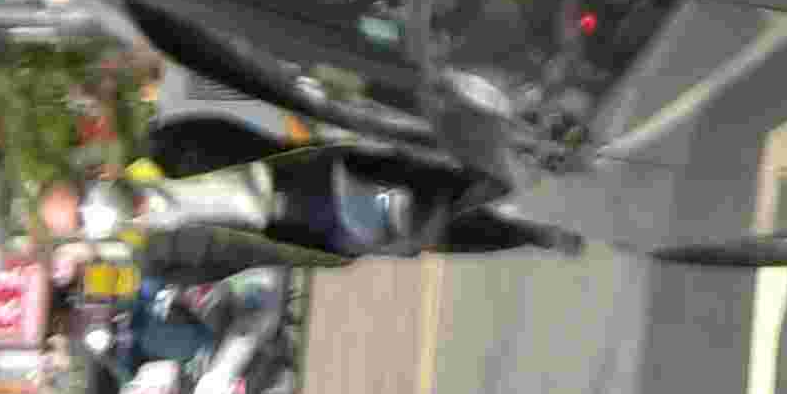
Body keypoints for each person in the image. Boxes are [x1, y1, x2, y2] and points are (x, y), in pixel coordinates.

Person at [34, 110, 578, 281]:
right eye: (79, 218)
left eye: (82, 196)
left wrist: (291, 149)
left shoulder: (165, 144)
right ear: (85, 234)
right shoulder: (155, 259)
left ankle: (527, 170)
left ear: (96, 175)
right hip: (303, 233)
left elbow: (228, 131)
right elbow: (225, 266)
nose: (90, 209)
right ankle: (529, 232)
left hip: (303, 180)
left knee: (419, 185)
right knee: (425, 234)